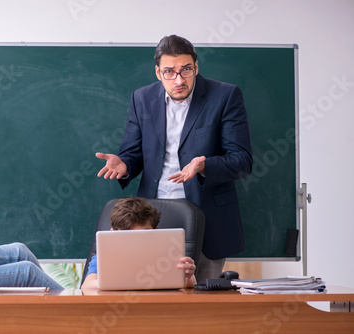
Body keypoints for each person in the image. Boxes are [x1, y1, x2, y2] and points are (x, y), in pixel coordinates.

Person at [95, 35, 253, 282]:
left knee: (201, 303)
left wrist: (204, 166)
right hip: (150, 219)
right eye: (169, 72)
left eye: (186, 70)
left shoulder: (225, 96)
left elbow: (242, 160)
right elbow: (134, 154)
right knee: (151, 301)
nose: (179, 80)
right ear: (158, 72)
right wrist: (124, 165)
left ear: (196, 67)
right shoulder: (142, 98)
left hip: (207, 218)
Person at [81, 197, 196, 290]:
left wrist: (188, 276)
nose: (135, 242)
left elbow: (191, 283)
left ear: (156, 231)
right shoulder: (104, 257)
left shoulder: (167, 255)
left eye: (143, 234)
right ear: (113, 234)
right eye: (126, 235)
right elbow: (87, 285)